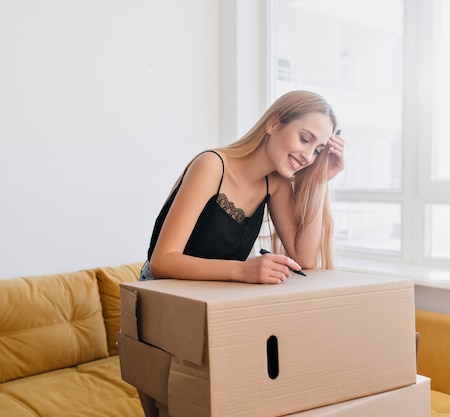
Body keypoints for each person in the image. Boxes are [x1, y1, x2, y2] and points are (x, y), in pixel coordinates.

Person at [136, 90, 345, 416]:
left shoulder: (274, 184)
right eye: (305, 139)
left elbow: (304, 258)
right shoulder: (212, 164)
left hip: (214, 300)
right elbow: (163, 261)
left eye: (318, 149)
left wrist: (321, 180)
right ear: (273, 123)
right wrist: (244, 269)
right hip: (159, 297)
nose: (308, 155)